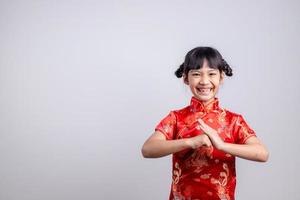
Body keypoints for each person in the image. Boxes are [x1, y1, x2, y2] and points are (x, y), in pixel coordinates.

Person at [141, 47, 269, 200]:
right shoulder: (176, 118)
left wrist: (221, 145)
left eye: (212, 74)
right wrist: (190, 142)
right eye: (196, 74)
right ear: (186, 78)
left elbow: (262, 154)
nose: (204, 81)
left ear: (221, 77)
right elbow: (148, 149)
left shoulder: (233, 121)